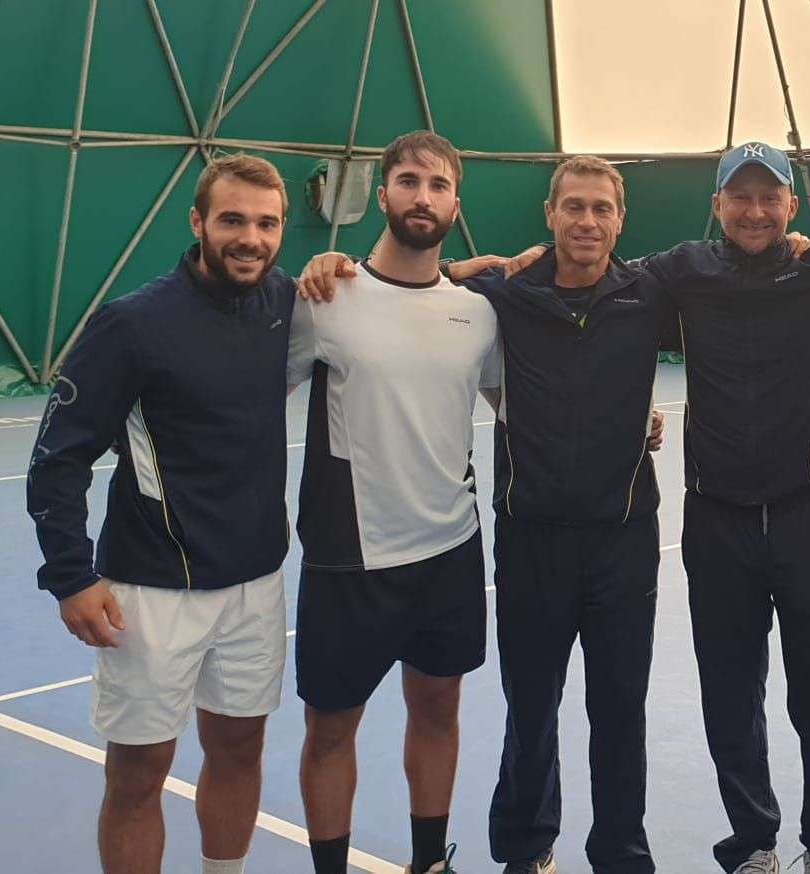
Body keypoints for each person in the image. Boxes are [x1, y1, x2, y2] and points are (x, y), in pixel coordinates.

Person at [496, 141, 810, 874]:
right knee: (730, 699)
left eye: (768, 196)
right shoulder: (678, 271)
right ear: (716, 207)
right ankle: (752, 844)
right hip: (715, 521)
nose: (754, 209)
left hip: (808, 515)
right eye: (738, 196)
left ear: (790, 206)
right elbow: (589, 281)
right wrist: (513, 261)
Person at [298, 154, 671, 874]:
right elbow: (439, 288)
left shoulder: (648, 292)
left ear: (620, 219)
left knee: (619, 712)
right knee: (530, 710)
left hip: (623, 541)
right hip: (529, 540)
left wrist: (640, 417)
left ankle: (622, 855)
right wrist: (335, 259)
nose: (586, 220)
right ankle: (526, 847)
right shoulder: (506, 295)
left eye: (601, 208)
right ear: (549, 214)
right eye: (573, 206)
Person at [27, 154, 297, 874]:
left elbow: (383, 286)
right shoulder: (133, 324)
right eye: (233, 219)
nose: (250, 237)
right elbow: (58, 457)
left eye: (267, 223)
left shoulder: (284, 302)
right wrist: (70, 577)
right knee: (139, 772)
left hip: (254, 587)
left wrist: (477, 270)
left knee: (240, 749)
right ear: (198, 222)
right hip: (150, 590)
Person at [287, 131, 501, 874]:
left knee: (439, 711)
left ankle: (427, 862)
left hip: (450, 550)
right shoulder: (326, 296)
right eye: (407, 181)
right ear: (382, 195)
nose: (422, 196)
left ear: (453, 204)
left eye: (437, 185)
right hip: (351, 556)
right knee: (330, 729)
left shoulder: (476, 313)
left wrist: (639, 419)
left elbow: (528, 403)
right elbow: (244, 391)